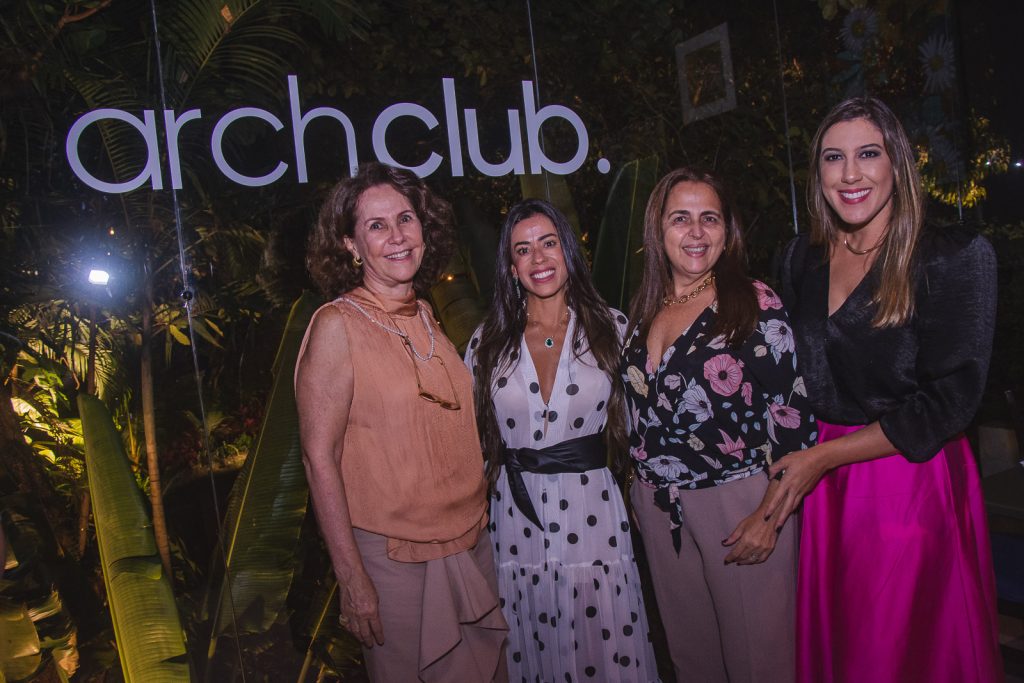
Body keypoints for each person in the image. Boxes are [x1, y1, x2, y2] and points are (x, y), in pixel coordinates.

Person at [770, 96, 1003, 682]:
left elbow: (950, 400)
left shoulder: (952, 257)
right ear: (817, 173)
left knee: (899, 650)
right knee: (844, 651)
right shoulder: (800, 259)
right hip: (823, 489)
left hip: (907, 480)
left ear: (897, 163)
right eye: (833, 157)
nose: (850, 174)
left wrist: (821, 457)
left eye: (867, 154)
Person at [295, 162, 507, 683]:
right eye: (376, 225)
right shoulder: (336, 325)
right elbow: (317, 457)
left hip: (470, 543)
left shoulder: (426, 313)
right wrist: (352, 576)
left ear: (424, 228)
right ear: (349, 244)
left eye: (405, 219)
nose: (396, 237)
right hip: (392, 561)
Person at [620, 167, 817, 683]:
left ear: (727, 231)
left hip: (739, 504)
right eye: (680, 218)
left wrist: (769, 518)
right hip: (662, 509)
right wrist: (638, 490)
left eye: (710, 218)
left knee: (759, 663)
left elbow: (793, 427)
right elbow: (637, 413)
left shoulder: (753, 302)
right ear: (657, 232)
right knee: (693, 662)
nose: (696, 232)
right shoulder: (646, 309)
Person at [465, 199, 660, 682]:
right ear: (511, 268)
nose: (539, 259)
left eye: (548, 243)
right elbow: (467, 435)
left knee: (605, 637)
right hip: (516, 517)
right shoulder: (487, 341)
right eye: (524, 250)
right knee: (530, 638)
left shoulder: (613, 329)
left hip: (594, 512)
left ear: (568, 251)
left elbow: (647, 424)